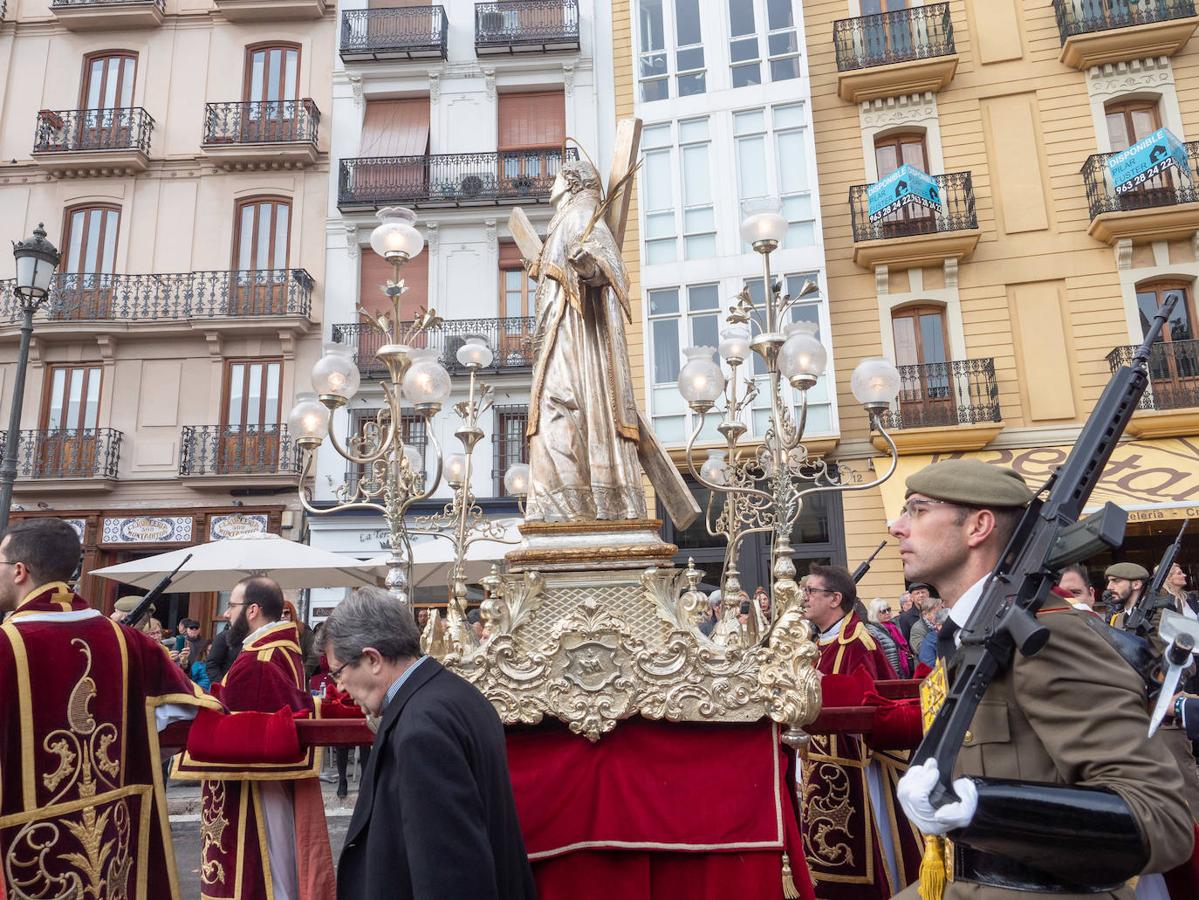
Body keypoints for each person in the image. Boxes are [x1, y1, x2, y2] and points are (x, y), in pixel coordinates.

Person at [888, 459, 1194, 898]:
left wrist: (986, 807)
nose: (898, 526)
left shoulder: (1048, 635)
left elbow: (1160, 819)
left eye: (917, 510)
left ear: (979, 527)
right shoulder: (971, 632)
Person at [0, 518, 219, 897]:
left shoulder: (7, 644)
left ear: (20, 571)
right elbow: (192, 714)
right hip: (113, 837)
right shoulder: (131, 642)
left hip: (25, 850)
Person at [324, 586, 537, 900]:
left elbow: (449, 872)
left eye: (338, 672)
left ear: (372, 659)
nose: (340, 687)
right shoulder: (457, 694)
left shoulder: (419, 728)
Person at [174, 576, 336, 900]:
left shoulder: (260, 659)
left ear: (252, 610)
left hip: (255, 792)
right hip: (265, 788)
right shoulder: (277, 649)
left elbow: (244, 722)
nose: (225, 615)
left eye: (231, 606)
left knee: (266, 875)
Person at [800, 565, 917, 897]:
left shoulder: (858, 641)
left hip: (856, 766)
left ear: (835, 599)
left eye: (811, 591)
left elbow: (872, 698)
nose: (804, 598)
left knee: (860, 846)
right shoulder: (816, 640)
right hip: (820, 761)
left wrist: (822, 686)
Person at [868, 597, 913, 677]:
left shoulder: (894, 626)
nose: (887, 613)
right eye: (883, 611)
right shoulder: (872, 631)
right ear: (874, 613)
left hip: (901, 672)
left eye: (888, 609)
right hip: (888, 674)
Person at [907, 593, 942, 658]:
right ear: (925, 614)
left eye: (940, 611)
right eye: (936, 613)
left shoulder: (941, 623)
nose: (939, 615)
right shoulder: (917, 628)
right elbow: (920, 650)